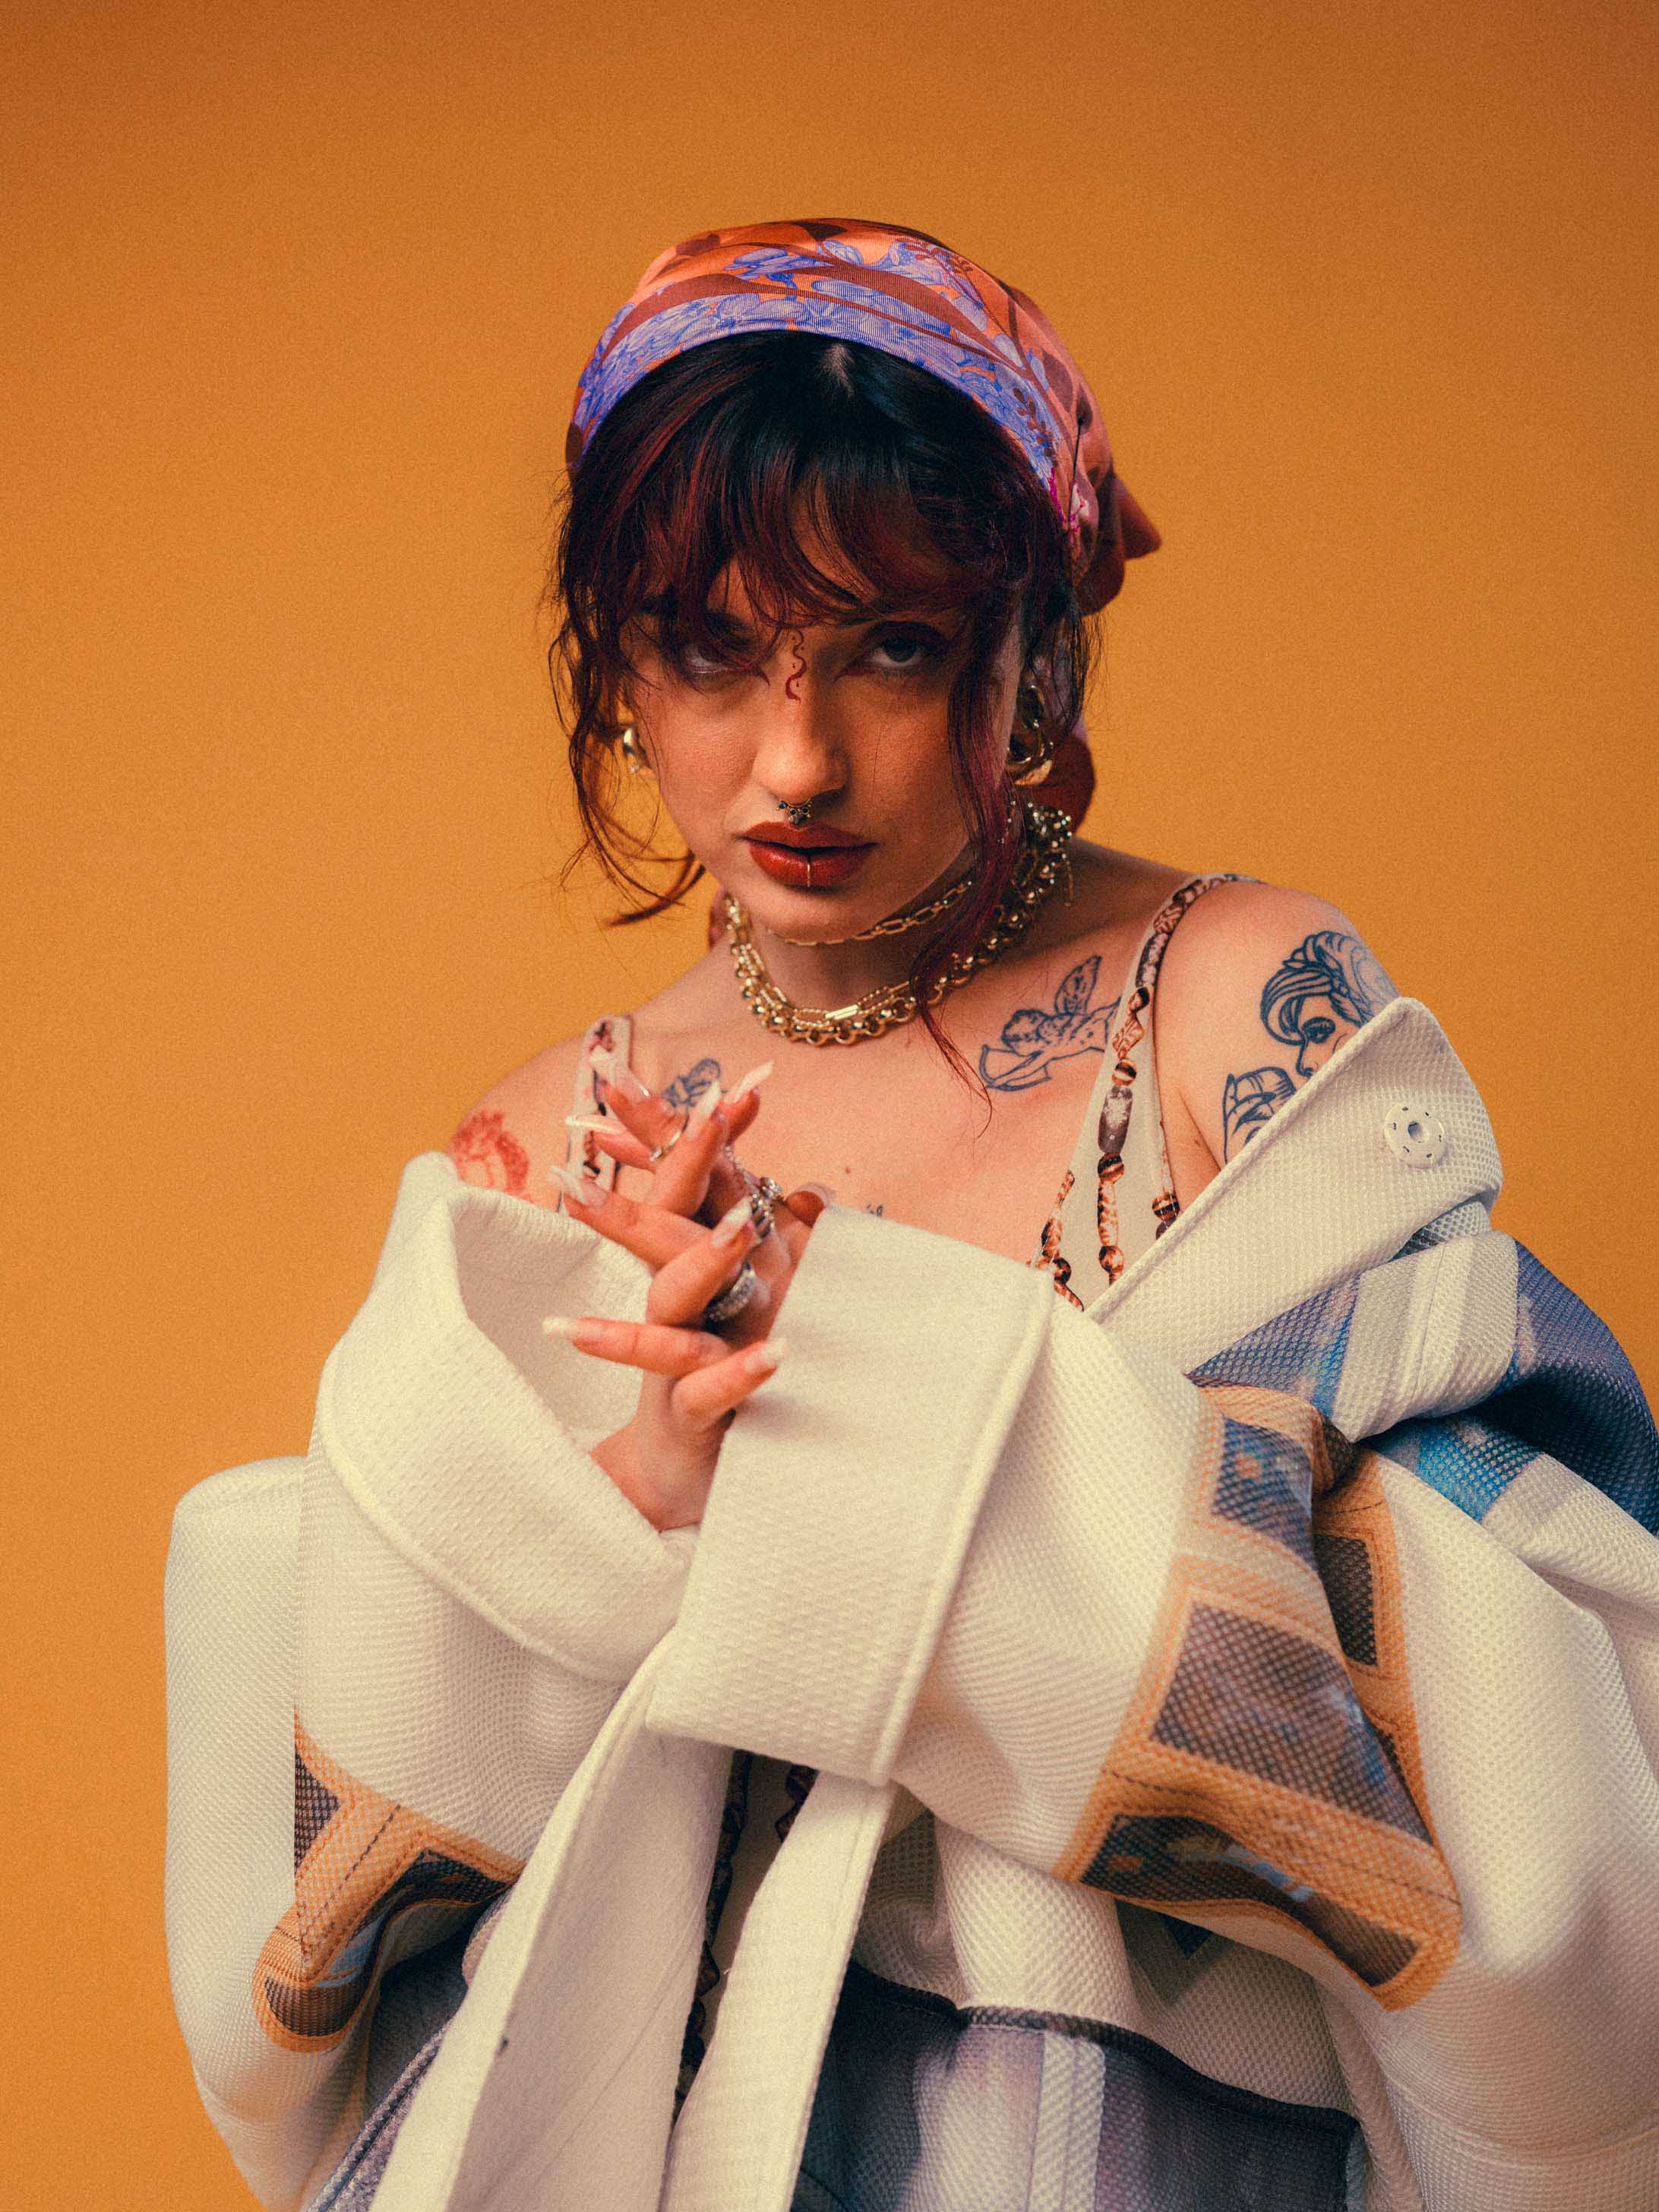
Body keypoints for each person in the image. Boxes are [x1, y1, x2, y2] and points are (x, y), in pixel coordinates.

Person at [166, 220, 1659, 2212]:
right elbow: (364, 1863)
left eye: (891, 647)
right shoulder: (542, 1149)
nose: (797, 761)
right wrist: (642, 1503)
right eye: (709, 651)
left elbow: (1529, 1626)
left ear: (1033, 646)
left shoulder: (1235, 1007)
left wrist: (867, 1415)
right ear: (614, 666)